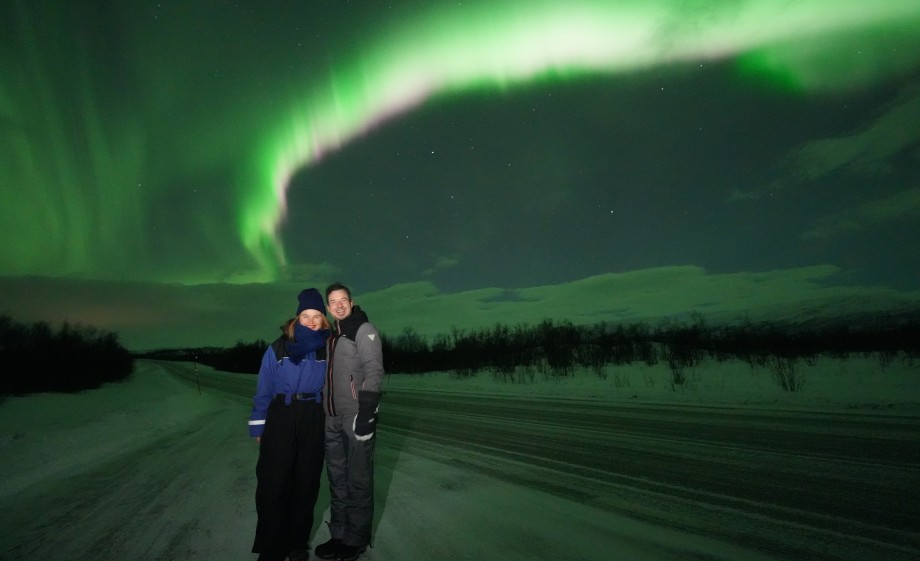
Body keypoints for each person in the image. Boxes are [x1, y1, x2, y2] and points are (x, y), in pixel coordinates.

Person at [249, 288, 331, 561]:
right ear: (296, 319)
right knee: (274, 483)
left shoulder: (328, 347)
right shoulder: (278, 348)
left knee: (306, 482)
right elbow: (264, 389)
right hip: (281, 416)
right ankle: (272, 547)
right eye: (305, 315)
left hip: (313, 417)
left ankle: (296, 543)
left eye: (316, 316)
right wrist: (258, 426)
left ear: (323, 320)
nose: (310, 321)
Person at [313, 283, 384, 561]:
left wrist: (366, 413)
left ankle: (354, 540)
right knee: (337, 479)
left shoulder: (363, 329)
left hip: (355, 417)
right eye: (333, 301)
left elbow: (374, 371)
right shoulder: (332, 336)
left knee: (358, 480)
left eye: (344, 300)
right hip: (331, 417)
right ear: (329, 308)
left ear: (352, 303)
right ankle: (339, 534)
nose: (339, 305)